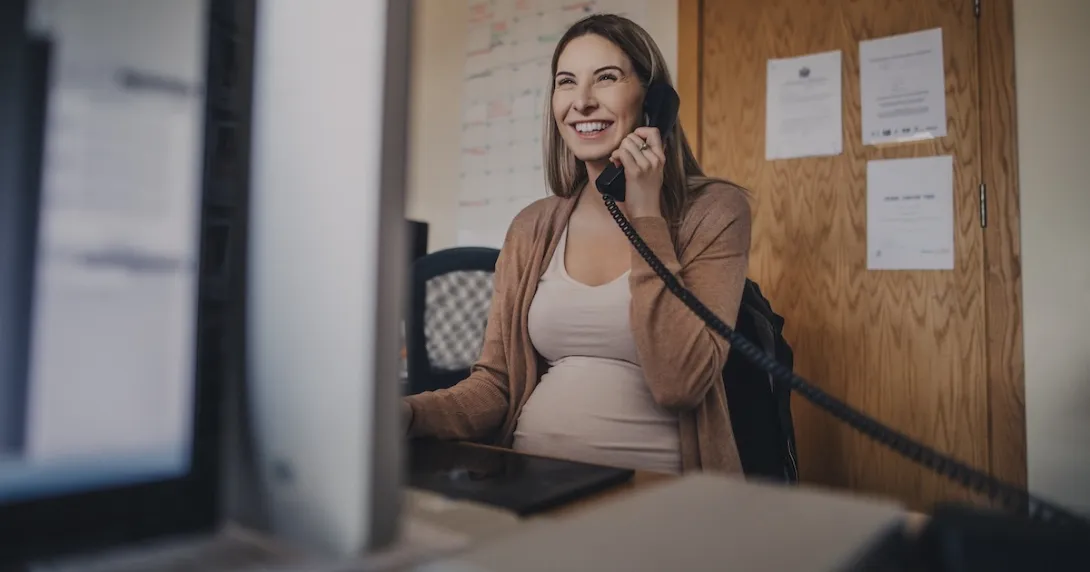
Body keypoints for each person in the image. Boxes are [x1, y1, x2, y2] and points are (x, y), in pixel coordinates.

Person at [403, 13, 752, 475]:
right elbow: (495, 386)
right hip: (529, 483)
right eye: (566, 82)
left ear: (654, 102)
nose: (582, 102)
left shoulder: (715, 211)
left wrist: (646, 213)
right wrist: (407, 414)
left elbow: (680, 383)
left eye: (606, 78)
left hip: (659, 496)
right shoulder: (533, 226)